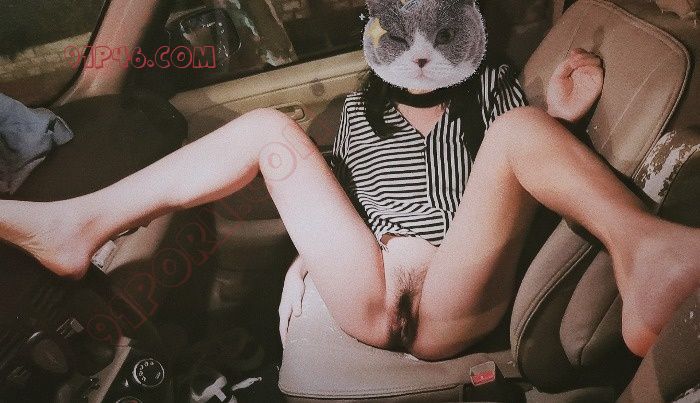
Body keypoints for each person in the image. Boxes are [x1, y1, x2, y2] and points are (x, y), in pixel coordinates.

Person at [1, 1, 698, 361]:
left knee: (519, 131)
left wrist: (561, 118)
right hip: (369, 288)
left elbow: (518, 176)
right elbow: (351, 201)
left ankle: (647, 252)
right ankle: (79, 224)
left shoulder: (492, 91)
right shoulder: (359, 112)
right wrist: (316, 251)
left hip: (450, 292)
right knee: (268, 129)